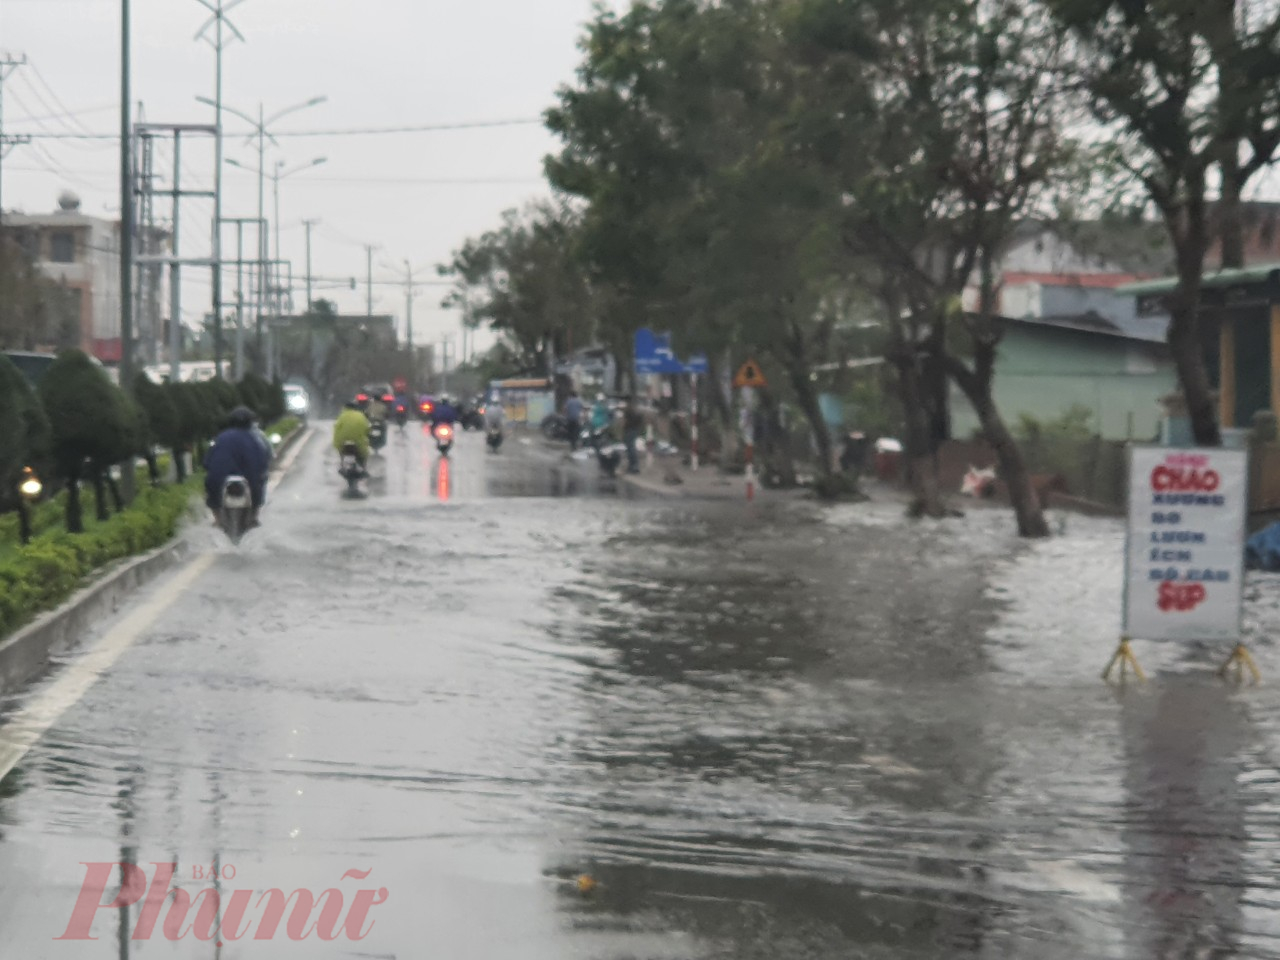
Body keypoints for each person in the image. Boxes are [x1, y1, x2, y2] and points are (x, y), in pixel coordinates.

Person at [204, 406, 272, 527]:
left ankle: (218, 520)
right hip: (249, 480)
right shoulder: (256, 439)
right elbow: (264, 462)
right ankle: (253, 518)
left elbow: (207, 463)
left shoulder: (220, 438)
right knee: (260, 484)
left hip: (220, 480)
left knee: (211, 490)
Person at [333, 401, 372, 472]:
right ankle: (364, 468)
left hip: (343, 440)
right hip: (358, 440)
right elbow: (366, 428)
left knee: (341, 452)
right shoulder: (360, 416)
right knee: (365, 453)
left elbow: (336, 428)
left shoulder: (342, 416)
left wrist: (337, 442)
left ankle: (342, 463)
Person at [622, 397, 644, 474]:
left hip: (629, 430)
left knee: (630, 448)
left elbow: (625, 421)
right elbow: (641, 420)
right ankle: (634, 466)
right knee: (632, 448)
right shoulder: (637, 411)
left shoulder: (628, 410)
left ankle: (633, 466)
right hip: (635, 429)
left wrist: (623, 428)